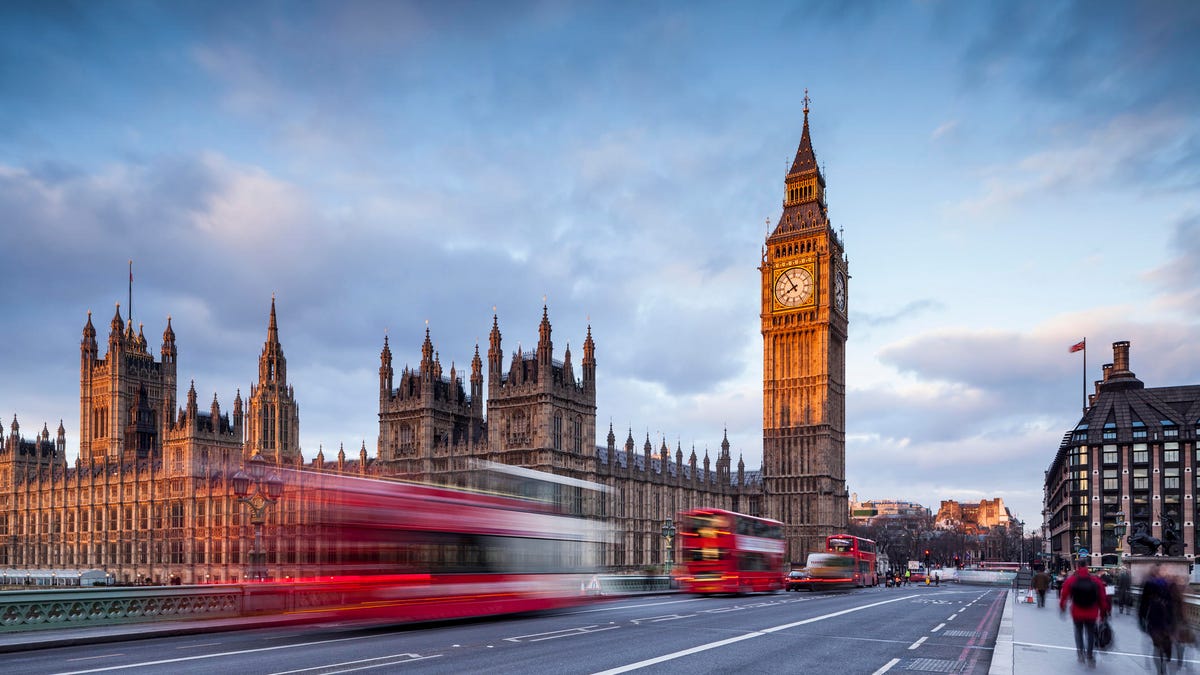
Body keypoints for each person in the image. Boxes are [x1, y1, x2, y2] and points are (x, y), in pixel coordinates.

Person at [1060, 558, 1110, 667]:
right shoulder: (1095, 580)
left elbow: (1064, 594)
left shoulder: (1072, 580)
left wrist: (1062, 606)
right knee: (1090, 633)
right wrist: (1103, 612)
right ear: (1087, 566)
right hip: (1092, 612)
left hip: (1077, 611)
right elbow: (1102, 597)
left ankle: (1080, 653)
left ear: (1077, 566)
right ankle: (1090, 655)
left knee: (1078, 632)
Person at [1138, 564, 1176, 674]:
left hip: (1156, 618)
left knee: (1158, 646)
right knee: (1160, 645)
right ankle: (1162, 666)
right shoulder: (1167, 584)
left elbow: (1143, 603)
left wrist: (1142, 618)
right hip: (1162, 619)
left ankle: (1160, 669)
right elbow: (1171, 603)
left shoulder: (1151, 584)